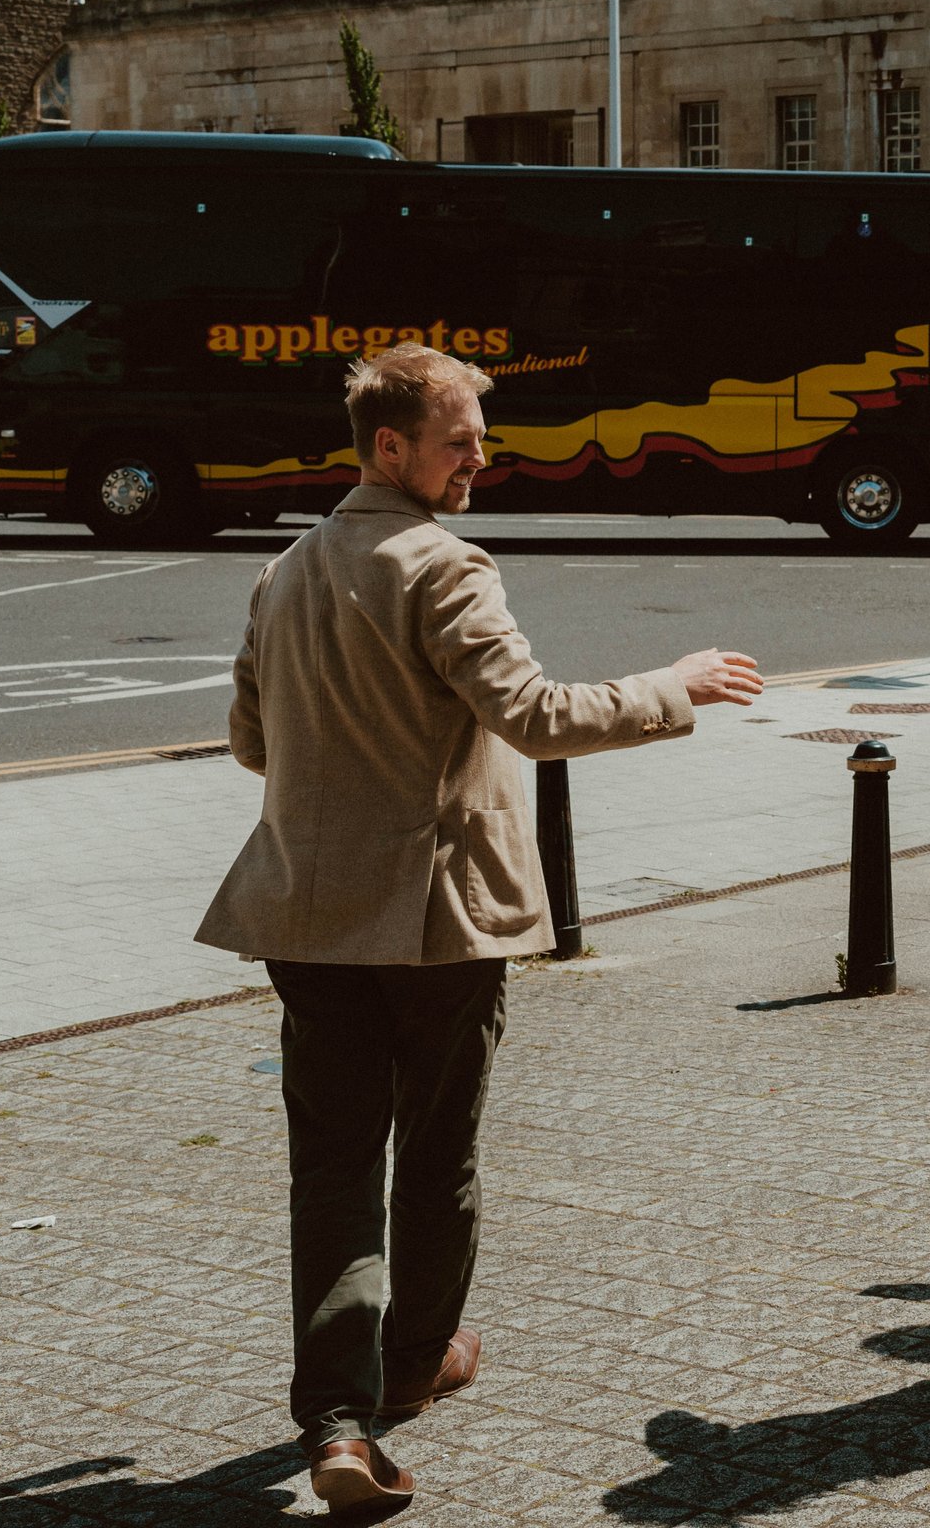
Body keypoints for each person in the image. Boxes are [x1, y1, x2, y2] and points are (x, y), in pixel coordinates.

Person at [197, 342, 764, 1513]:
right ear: (391, 446)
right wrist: (678, 680)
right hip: (438, 918)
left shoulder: (285, 571)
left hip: (307, 914)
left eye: (481, 439)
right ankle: (412, 1363)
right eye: (461, 440)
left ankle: (338, 1422)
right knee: (436, 1155)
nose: (480, 459)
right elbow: (537, 713)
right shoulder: (444, 567)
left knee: (334, 1168)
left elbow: (253, 743)